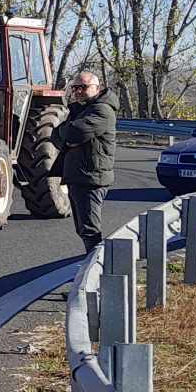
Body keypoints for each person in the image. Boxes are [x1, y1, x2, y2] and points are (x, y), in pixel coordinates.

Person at [50, 68, 116, 255]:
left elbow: (73, 133)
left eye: (83, 87)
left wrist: (67, 135)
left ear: (97, 87)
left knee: (90, 229)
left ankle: (97, 267)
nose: (78, 91)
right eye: (75, 87)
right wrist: (67, 136)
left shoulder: (102, 110)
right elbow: (55, 136)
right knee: (82, 228)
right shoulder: (82, 109)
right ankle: (93, 262)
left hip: (91, 177)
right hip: (78, 176)